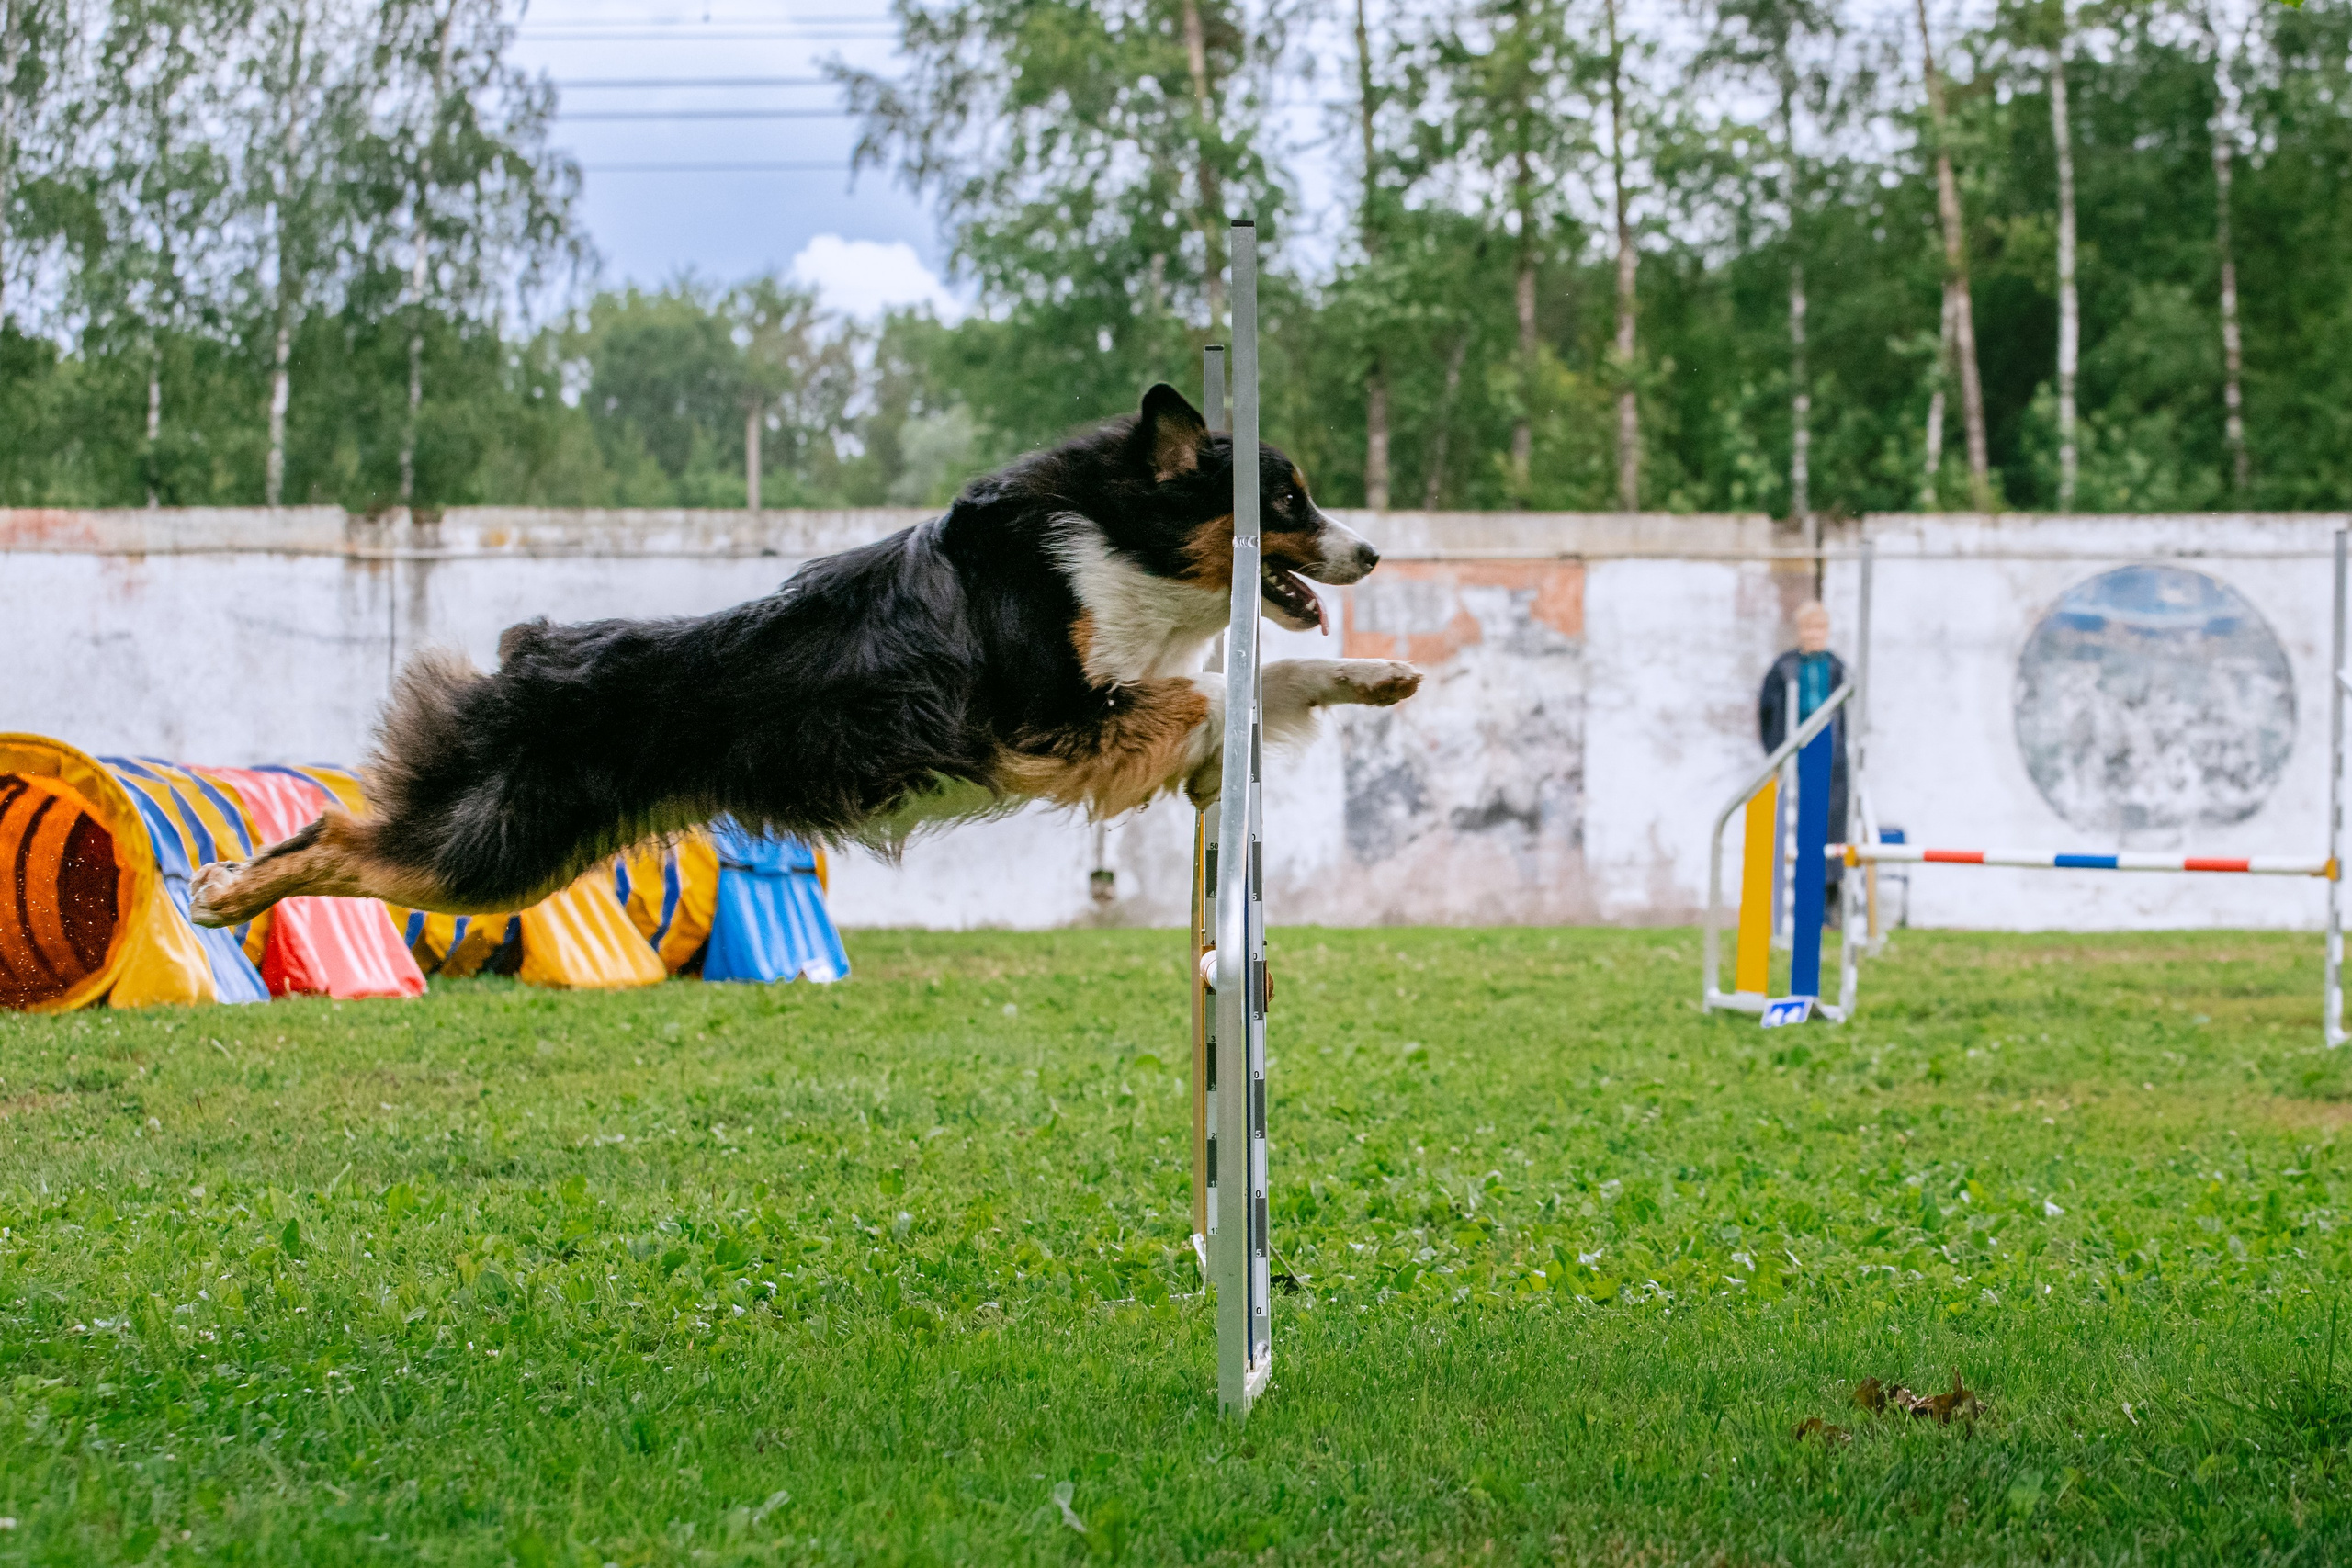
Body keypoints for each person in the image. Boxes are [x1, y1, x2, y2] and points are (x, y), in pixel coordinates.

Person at [1758, 600, 1848, 909]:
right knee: (1793, 825)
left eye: (1820, 627)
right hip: (1794, 755)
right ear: (1799, 631)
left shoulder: (1837, 667)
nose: (1814, 634)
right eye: (1808, 627)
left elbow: (1848, 716)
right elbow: (1767, 714)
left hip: (1830, 758)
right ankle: (1790, 900)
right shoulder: (1784, 668)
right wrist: (1775, 755)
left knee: (1830, 823)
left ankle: (1829, 894)